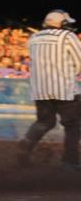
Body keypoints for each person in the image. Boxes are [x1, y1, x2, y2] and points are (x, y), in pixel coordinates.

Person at [17, 9, 81, 169]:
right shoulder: (67, 37)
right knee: (73, 124)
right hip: (64, 88)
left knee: (45, 121)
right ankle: (70, 160)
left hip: (40, 89)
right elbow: (79, 60)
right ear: (61, 24)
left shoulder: (33, 38)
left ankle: (27, 142)